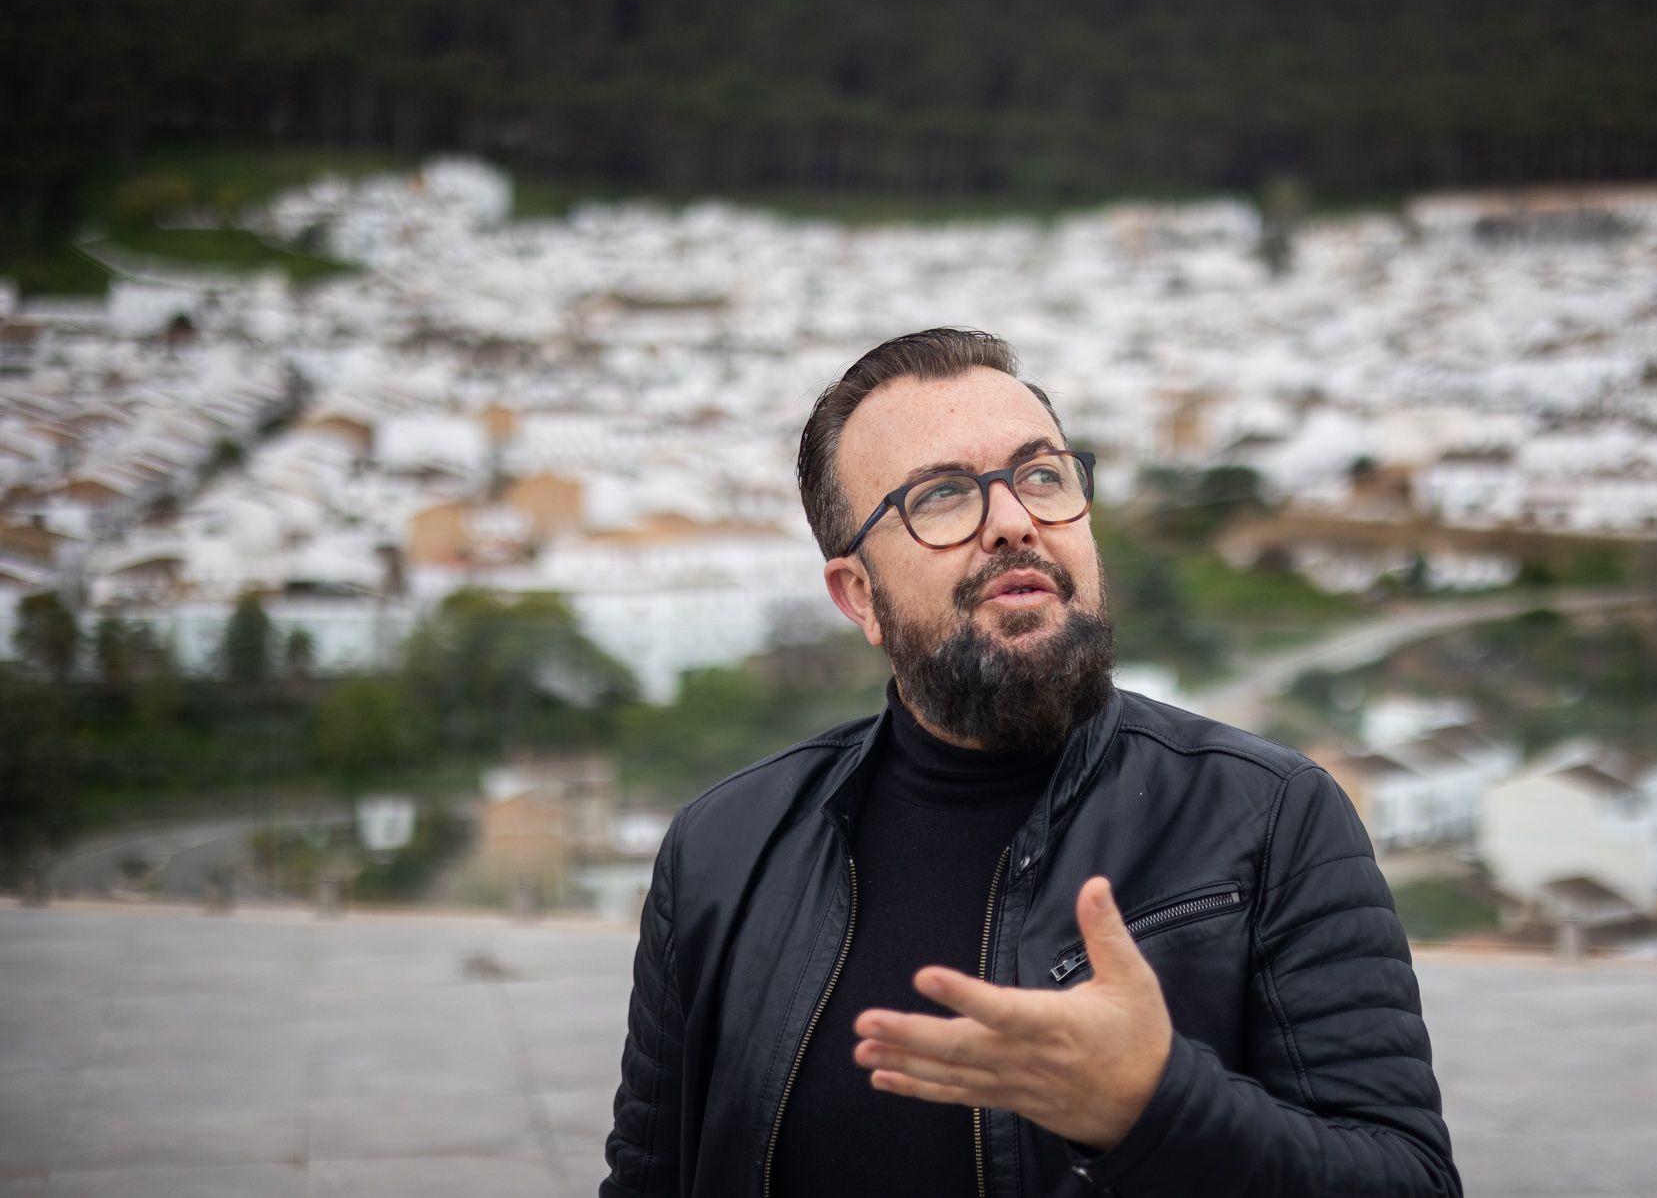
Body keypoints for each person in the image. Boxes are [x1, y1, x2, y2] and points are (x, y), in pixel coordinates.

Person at [600, 327, 1460, 1197]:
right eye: (940, 496)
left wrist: (1153, 1107)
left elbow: (1408, 1179)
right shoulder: (721, 851)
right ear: (860, 595)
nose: (1014, 521)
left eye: (1042, 476)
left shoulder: (1273, 817)